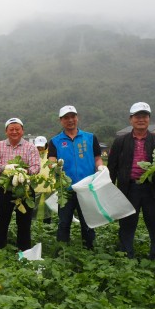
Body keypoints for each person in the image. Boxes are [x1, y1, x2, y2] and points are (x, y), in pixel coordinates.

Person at [108, 102, 155, 258]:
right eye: (137, 116)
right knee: (126, 226)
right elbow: (112, 166)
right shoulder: (120, 141)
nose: (141, 119)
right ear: (131, 119)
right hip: (128, 190)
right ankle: (126, 257)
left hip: (152, 190)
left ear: (149, 119)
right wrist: (109, 188)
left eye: (144, 116)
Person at [48, 105, 104, 249]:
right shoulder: (55, 141)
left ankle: (89, 250)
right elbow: (51, 160)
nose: (70, 120)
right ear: (61, 121)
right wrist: (53, 165)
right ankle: (62, 252)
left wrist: (101, 167)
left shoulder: (90, 138)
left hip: (86, 188)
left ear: (77, 118)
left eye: (73, 116)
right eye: (66, 118)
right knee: (64, 222)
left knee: (88, 222)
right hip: (65, 190)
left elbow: (97, 158)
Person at [0, 118, 40, 251]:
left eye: (17, 129)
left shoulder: (31, 147)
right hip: (5, 189)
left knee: (24, 222)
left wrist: (24, 171)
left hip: (25, 190)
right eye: (11, 129)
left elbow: (36, 167)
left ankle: (24, 249)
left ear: (22, 131)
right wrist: (6, 167)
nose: (14, 132)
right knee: (0, 220)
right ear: (6, 131)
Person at [32, 135, 52, 224]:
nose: (39, 148)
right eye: (38, 146)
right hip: (36, 184)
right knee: (33, 205)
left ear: (46, 145)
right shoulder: (32, 154)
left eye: (41, 146)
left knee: (48, 206)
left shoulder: (51, 154)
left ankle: (47, 223)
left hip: (49, 184)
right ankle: (32, 222)